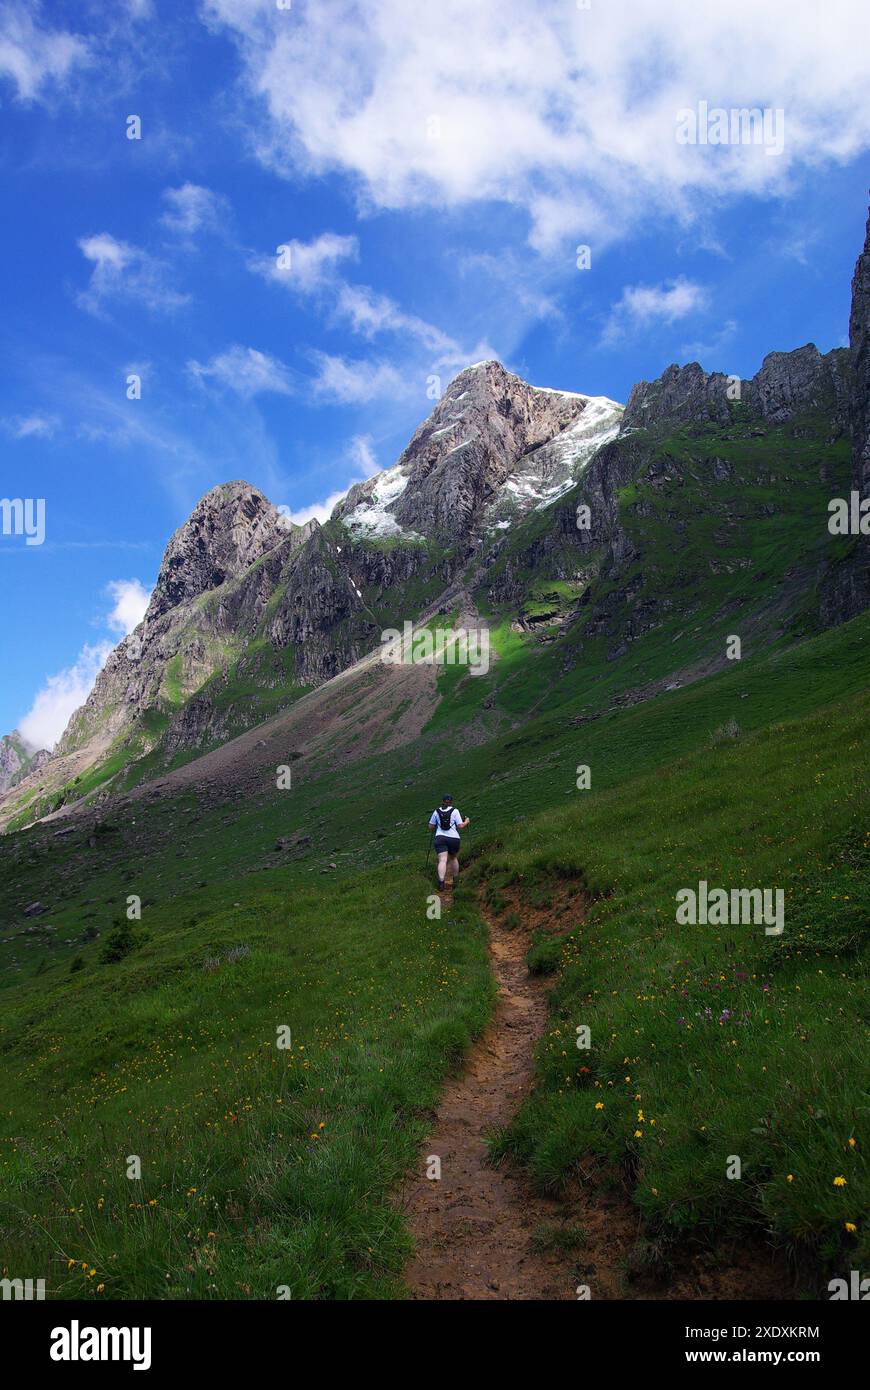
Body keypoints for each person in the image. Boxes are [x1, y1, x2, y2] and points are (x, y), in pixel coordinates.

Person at [427, 794, 470, 891]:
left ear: (442, 801)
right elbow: (460, 826)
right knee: (453, 858)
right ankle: (455, 881)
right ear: (451, 802)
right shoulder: (455, 811)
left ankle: (441, 882)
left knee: (442, 860)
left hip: (440, 838)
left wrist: (435, 825)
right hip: (453, 838)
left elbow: (430, 827)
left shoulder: (436, 811)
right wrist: (467, 821)